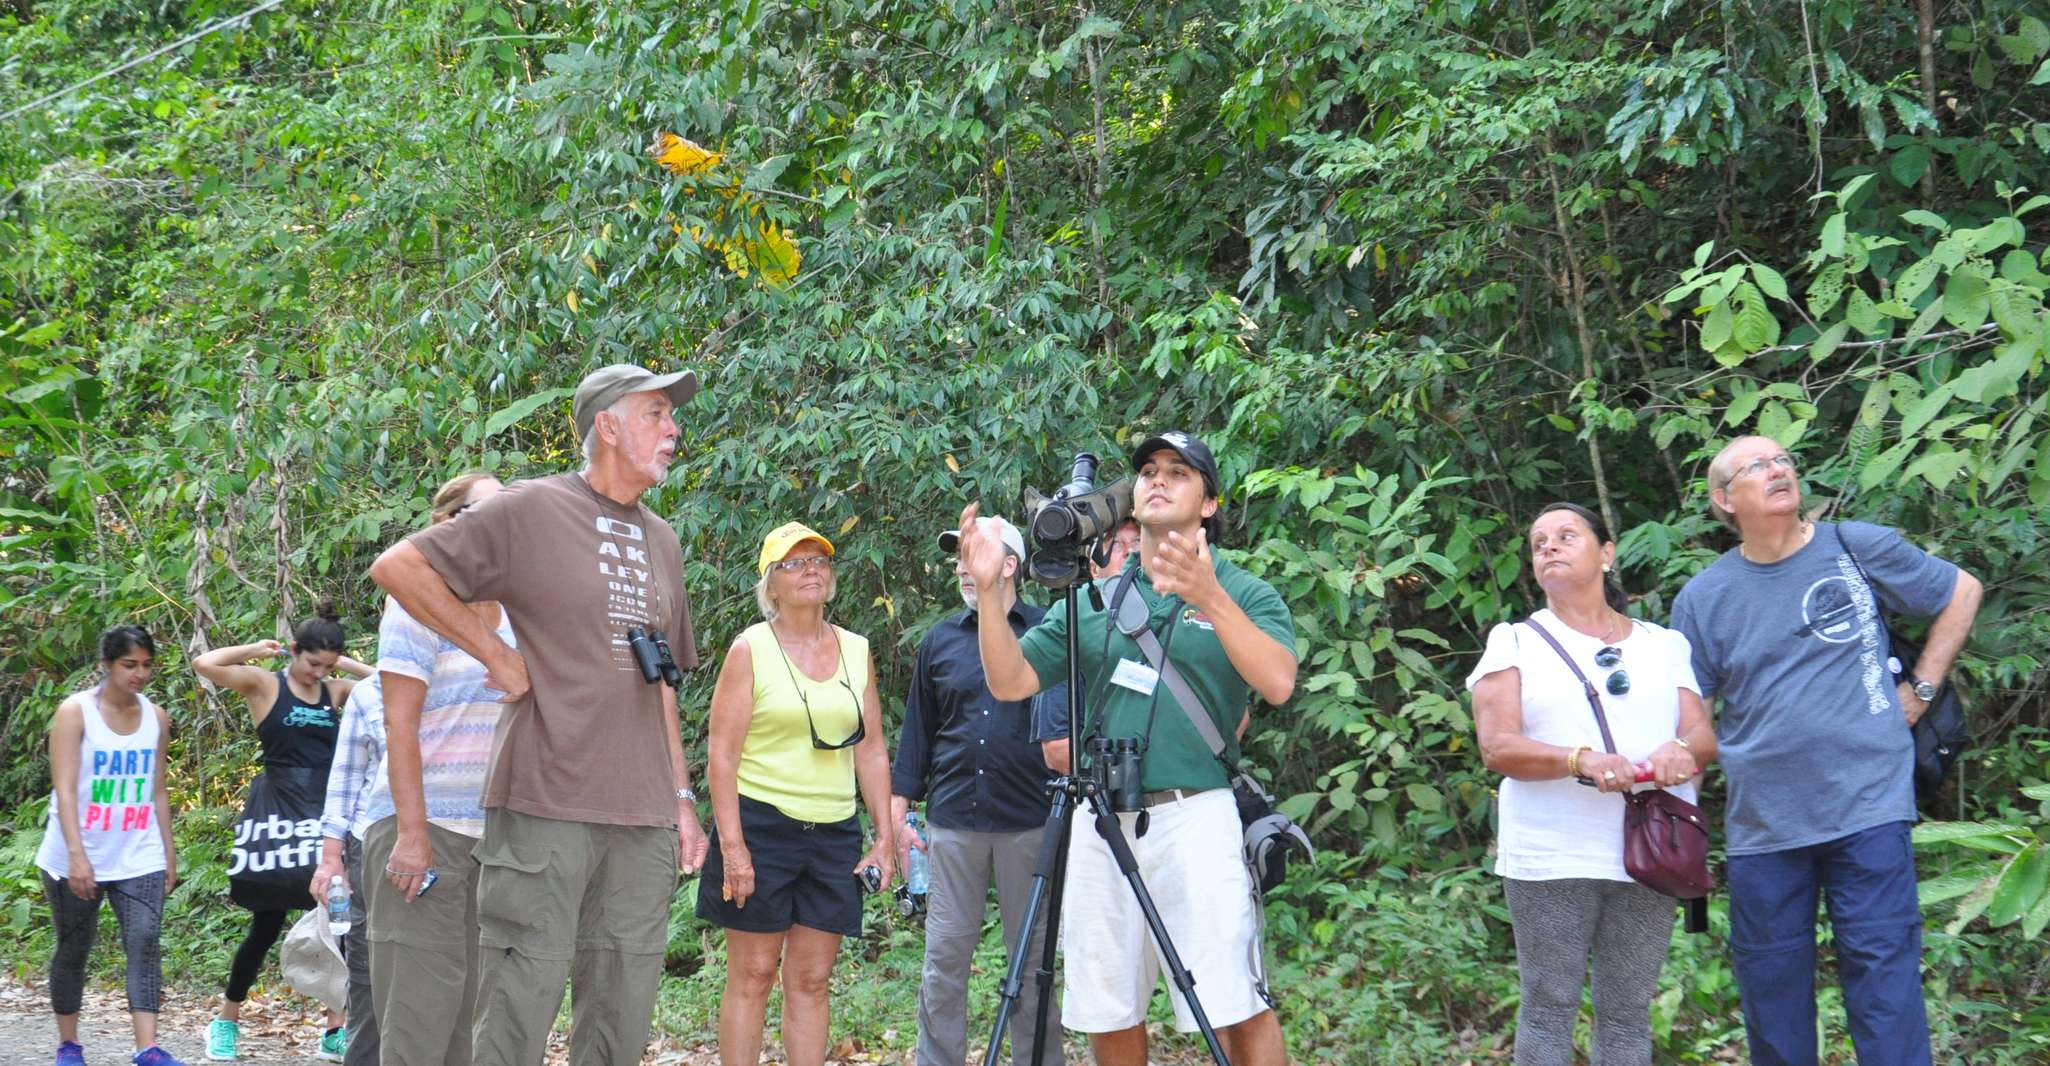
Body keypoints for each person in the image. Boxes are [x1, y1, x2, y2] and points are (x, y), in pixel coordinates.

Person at [369, 364, 709, 1066]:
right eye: (655, 414)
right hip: (546, 798)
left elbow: (662, 683)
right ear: (606, 426)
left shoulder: (664, 541)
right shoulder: (533, 508)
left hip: (641, 815)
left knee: (623, 1009)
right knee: (519, 1003)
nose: (673, 429)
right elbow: (400, 567)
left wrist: (682, 800)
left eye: (671, 417)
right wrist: (494, 654)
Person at [957, 431, 1297, 1066]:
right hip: (1099, 820)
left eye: (1178, 472)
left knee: (1235, 1004)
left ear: (1210, 505)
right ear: (1133, 501)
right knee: (1106, 1006)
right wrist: (988, 598)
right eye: (1147, 471)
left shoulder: (1245, 591)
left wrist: (1209, 597)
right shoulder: (1097, 598)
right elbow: (1010, 682)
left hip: (1195, 815)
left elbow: (1277, 683)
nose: (1158, 479)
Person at [1670, 436, 1983, 1066]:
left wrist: (1920, 688)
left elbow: (1961, 591)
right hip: (1765, 826)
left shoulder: (1854, 547)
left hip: (1868, 806)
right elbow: (1689, 719)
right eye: (1755, 466)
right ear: (1723, 499)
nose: (1778, 469)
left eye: (1783, 459)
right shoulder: (1702, 599)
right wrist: (1682, 822)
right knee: (1773, 996)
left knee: (1885, 984)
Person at [1466, 502, 1718, 1066]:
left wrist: (1680, 752)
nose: (1549, 547)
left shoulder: (1664, 643)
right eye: (1538, 543)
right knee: (1550, 1010)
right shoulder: (1514, 641)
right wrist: (1580, 759)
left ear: (1606, 553)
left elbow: (1702, 735)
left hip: (1653, 854)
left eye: (1566, 536)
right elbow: (1498, 746)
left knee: (1628, 1013)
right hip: (1553, 855)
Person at [696, 522, 896, 1066]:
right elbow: (722, 756)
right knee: (754, 974)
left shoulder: (856, 650)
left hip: (832, 832)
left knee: (810, 979)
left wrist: (884, 838)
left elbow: (871, 748)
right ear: (771, 584)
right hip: (762, 826)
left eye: (819, 561)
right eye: (793, 563)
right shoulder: (750, 649)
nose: (810, 569)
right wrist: (732, 848)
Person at [889, 515, 1063, 1066]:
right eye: (960, 557)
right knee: (943, 960)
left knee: (1032, 962)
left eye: (977, 553)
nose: (965, 567)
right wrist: (898, 818)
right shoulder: (940, 640)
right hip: (953, 821)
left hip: (1029, 822)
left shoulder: (1048, 634)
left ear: (1009, 565)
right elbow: (917, 734)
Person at [360, 472, 508, 1066]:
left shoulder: (521, 610)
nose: (500, 526)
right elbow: (399, 725)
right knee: (419, 1023)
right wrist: (412, 835)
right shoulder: (416, 602)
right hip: (423, 830)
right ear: (447, 523)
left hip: (496, 839)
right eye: (484, 512)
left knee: (474, 1023)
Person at [194, 608, 371, 1061]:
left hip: (325, 809)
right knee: (266, 921)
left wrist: (345, 666)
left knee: (339, 921)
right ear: (294, 651)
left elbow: (390, 684)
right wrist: (253, 651)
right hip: (276, 809)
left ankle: (335, 1027)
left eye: (327, 666)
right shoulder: (265, 684)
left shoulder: (336, 690)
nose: (318, 674)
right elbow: (205, 663)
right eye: (313, 663)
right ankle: (226, 1020)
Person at [36, 624, 184, 1066]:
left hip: (138, 851)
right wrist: (79, 856)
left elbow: (157, 789)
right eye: (129, 665)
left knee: (144, 940)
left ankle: (148, 1049)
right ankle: (69, 1044)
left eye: (146, 665)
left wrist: (167, 852)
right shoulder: (75, 712)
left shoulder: (156, 717)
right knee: (74, 947)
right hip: (76, 854)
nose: (139, 674)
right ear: (106, 665)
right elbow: (64, 791)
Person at [1032, 518, 1143, 774]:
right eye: (1115, 545)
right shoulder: (1074, 626)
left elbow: (1234, 718)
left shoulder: (1177, 618)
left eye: (1138, 542)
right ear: (1094, 569)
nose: (1130, 551)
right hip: (1104, 796)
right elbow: (1058, 751)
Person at [311, 672, 384, 1066]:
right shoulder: (370, 692)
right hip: (367, 843)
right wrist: (330, 858)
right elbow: (346, 777)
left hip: (455, 845)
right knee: (366, 970)